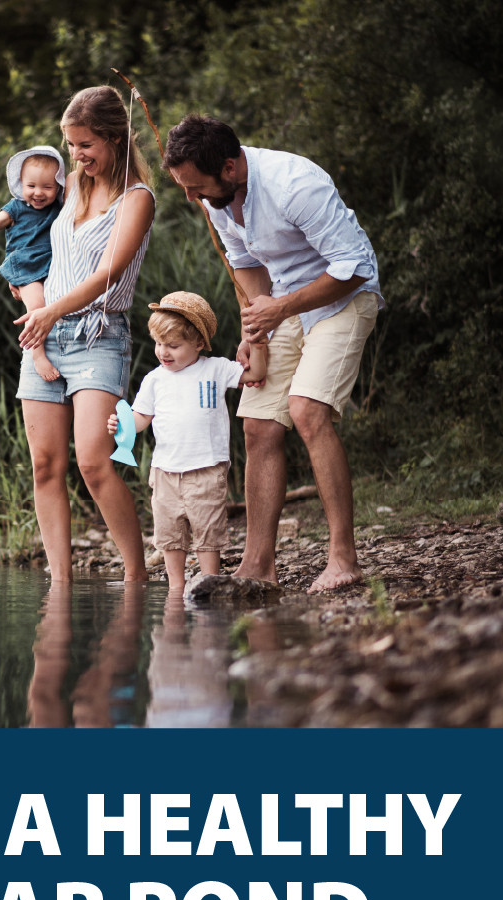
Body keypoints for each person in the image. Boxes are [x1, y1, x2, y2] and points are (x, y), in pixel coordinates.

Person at [163, 114, 384, 594]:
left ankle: (343, 559)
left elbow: (354, 267)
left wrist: (279, 307)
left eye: (197, 187)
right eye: (185, 188)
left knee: (306, 411)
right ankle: (258, 565)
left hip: (345, 298)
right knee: (259, 424)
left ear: (230, 166)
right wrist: (254, 325)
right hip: (284, 306)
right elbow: (246, 265)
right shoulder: (216, 200)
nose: (192, 198)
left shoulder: (294, 184)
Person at [14, 85, 156, 583]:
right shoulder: (70, 183)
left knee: (95, 462)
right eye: (72, 145)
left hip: (100, 336)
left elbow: (109, 275)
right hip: (45, 337)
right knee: (45, 466)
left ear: (115, 139)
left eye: (86, 145)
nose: (76, 156)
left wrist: (50, 311)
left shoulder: (138, 198)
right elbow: (26, 241)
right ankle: (60, 584)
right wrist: (32, 296)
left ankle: (136, 577)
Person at [107, 291, 266, 597]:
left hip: (206, 469)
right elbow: (141, 418)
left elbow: (255, 373)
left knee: (208, 531)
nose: (163, 352)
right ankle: (176, 588)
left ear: (198, 343)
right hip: (165, 472)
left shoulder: (215, 368)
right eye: (159, 343)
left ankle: (210, 581)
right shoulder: (155, 379)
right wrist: (121, 424)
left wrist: (257, 344)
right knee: (169, 535)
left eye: (173, 345)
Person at [0, 146, 67, 381]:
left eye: (47, 187)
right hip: (25, 265)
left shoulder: (59, 209)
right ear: (21, 184)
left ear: (58, 186)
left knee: (55, 303)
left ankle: (59, 346)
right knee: (37, 306)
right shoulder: (16, 207)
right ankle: (37, 355)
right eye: (31, 186)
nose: (38, 193)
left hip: (51, 265)